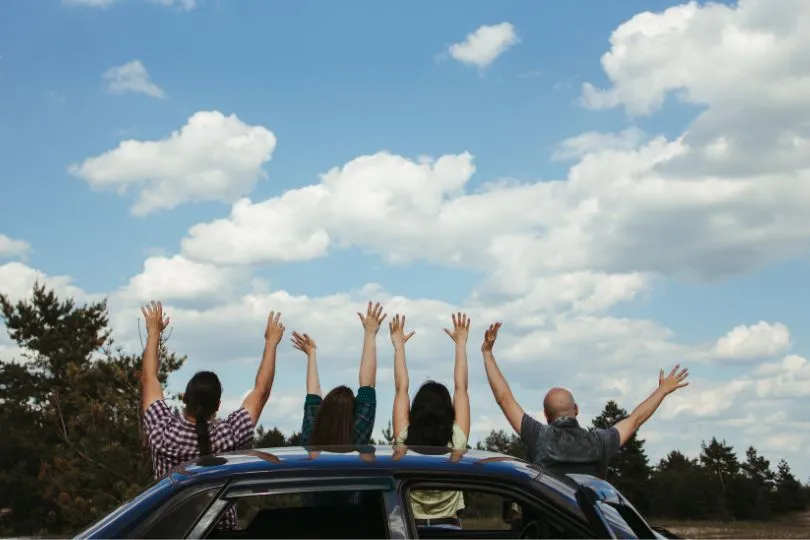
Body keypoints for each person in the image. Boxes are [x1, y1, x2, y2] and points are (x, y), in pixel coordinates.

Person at [140, 301, 285, 531]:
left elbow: (149, 379)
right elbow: (261, 392)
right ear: (218, 404)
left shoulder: (162, 432)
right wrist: (271, 342)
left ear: (184, 397)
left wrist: (154, 333)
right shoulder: (230, 435)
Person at [481, 321, 690, 479]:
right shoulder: (600, 441)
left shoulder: (539, 437)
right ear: (577, 409)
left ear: (546, 415)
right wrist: (661, 391)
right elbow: (635, 419)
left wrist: (487, 353)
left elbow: (504, 398)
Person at [390, 312, 471, 530]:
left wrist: (398, 347)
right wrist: (461, 346)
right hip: (449, 530)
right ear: (448, 411)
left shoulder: (404, 442)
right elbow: (461, 388)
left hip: (411, 530)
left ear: (416, 411)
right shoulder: (456, 440)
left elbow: (401, 389)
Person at [296, 301, 386, 447]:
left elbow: (313, 398)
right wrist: (370, 334)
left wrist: (311, 354)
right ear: (352, 414)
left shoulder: (310, 438)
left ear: (323, 410)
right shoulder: (356, 438)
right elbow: (368, 385)